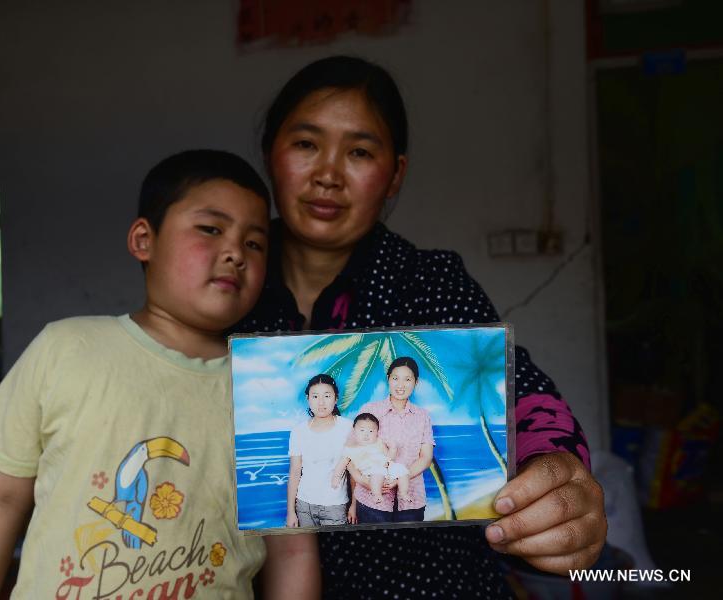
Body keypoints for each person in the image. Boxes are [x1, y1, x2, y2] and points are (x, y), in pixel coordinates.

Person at [237, 56, 607, 597]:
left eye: (360, 151)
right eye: (306, 144)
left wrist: (556, 475)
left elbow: (518, 397)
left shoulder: (429, 282)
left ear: (395, 175)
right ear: (271, 152)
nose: (329, 174)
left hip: (430, 584)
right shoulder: (224, 284)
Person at [0, 150, 319, 599]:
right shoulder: (66, 348)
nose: (236, 253)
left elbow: (291, 551)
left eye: (255, 243)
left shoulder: (270, 391)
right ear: (144, 240)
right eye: (211, 229)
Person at [349, 358, 434, 521]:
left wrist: (401, 479)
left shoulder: (422, 416)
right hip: (370, 500)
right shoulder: (369, 410)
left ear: (416, 382)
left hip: (411, 499)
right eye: (395, 378)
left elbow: (426, 458)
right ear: (388, 378)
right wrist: (360, 487)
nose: (400, 385)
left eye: (407, 379)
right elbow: (352, 454)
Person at [287, 374, 353, 527]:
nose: (321, 402)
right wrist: (290, 511)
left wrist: (354, 506)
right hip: (304, 506)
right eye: (315, 396)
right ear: (308, 398)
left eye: (327, 396)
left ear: (336, 398)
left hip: (335, 506)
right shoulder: (298, 431)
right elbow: (295, 472)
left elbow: (354, 472)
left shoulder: (348, 427)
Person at [331, 412, 412, 506]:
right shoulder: (350, 449)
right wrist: (336, 477)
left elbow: (389, 458)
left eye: (371, 431)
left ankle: (403, 493)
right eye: (362, 430)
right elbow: (341, 464)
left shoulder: (379, 442)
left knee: (402, 470)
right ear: (354, 431)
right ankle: (376, 494)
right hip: (371, 472)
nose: (366, 435)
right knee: (377, 472)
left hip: (387, 468)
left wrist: (393, 449)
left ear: (377, 432)